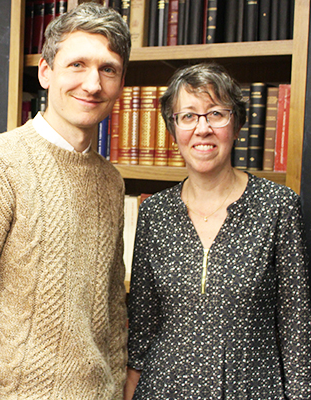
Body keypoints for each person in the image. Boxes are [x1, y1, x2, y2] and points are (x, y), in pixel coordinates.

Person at [0, 3, 131, 399]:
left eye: (108, 69)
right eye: (77, 65)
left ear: (120, 83)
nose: (93, 84)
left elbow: (112, 310)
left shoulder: (111, 182)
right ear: (45, 72)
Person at [125, 63, 311, 399]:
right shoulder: (154, 212)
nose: (203, 128)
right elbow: (142, 327)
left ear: (237, 125)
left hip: (253, 388)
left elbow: (297, 327)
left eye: (216, 114)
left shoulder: (277, 206)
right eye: (188, 116)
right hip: (164, 389)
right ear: (174, 128)